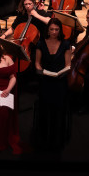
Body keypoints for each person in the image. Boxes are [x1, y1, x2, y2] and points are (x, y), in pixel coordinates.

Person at [34, 18, 72, 151]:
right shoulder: (40, 43)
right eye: (51, 29)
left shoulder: (65, 44)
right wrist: (41, 71)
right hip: (45, 79)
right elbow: (37, 63)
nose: (54, 32)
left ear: (60, 30)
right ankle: (44, 137)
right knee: (45, 108)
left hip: (60, 80)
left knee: (58, 109)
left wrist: (63, 72)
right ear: (48, 30)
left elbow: (68, 64)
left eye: (56, 29)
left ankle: (58, 138)